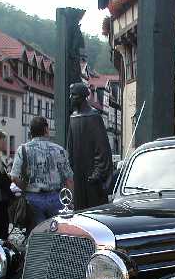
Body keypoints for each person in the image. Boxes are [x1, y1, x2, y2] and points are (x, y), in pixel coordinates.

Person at [11, 116, 74, 230]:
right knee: (57, 230)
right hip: (56, 198)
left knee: (37, 232)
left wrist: (26, 187)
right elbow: (69, 179)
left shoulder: (23, 149)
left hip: (33, 199)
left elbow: (14, 177)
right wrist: (70, 201)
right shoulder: (59, 150)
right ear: (46, 130)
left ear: (31, 131)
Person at [67, 82, 113, 210]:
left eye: (73, 95)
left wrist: (98, 172)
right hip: (78, 176)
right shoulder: (73, 117)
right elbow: (70, 147)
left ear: (82, 97)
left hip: (93, 177)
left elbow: (102, 148)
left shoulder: (94, 117)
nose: (70, 98)